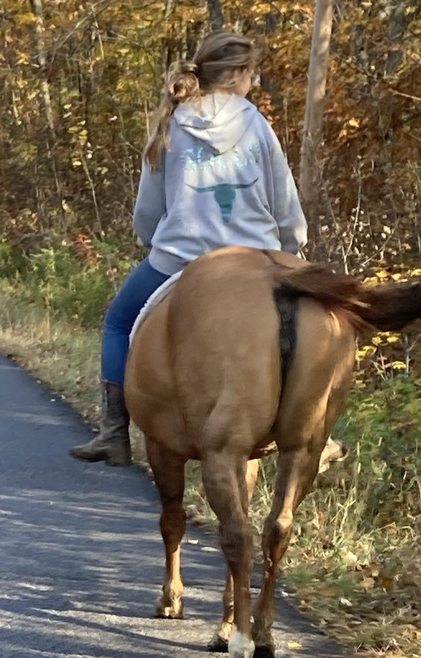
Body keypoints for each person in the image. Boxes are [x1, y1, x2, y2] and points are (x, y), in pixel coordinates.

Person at [70, 29, 307, 466]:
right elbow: (284, 201)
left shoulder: (171, 123)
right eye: (251, 74)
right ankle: (315, 432)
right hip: (256, 257)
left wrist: (153, 244)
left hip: (179, 258)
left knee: (118, 324)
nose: (252, 83)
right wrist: (292, 249)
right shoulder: (256, 123)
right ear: (237, 75)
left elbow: (148, 210)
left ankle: (114, 430)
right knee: (320, 323)